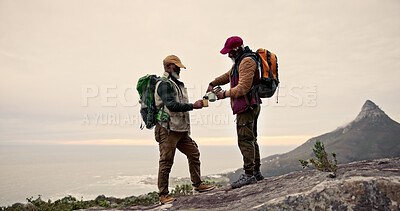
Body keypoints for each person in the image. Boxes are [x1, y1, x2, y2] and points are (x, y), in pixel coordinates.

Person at [155, 55, 215, 204]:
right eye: (176, 67)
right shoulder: (164, 84)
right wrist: (192, 106)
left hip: (180, 129)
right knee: (166, 161)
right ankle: (163, 195)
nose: (179, 69)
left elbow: (178, 104)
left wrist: (194, 105)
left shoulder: (177, 84)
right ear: (168, 67)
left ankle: (198, 184)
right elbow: (171, 105)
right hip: (167, 129)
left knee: (193, 153)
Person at [206, 36, 264, 189]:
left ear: (237, 49)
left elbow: (243, 88)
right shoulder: (241, 61)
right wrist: (213, 83)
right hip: (250, 105)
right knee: (251, 138)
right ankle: (256, 172)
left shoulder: (247, 61)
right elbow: (228, 75)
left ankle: (249, 174)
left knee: (245, 140)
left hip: (247, 106)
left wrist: (223, 94)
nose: (228, 55)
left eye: (230, 52)